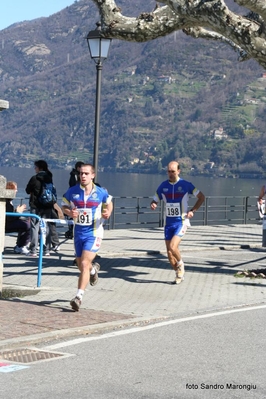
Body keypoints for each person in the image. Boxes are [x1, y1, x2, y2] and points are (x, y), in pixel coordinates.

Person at [62, 163, 113, 311]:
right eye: (81, 173)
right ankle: (93, 271)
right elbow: (64, 206)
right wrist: (69, 213)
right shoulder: (72, 192)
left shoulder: (100, 192)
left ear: (92, 175)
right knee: (80, 265)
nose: (83, 176)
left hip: (94, 232)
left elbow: (109, 203)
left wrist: (107, 212)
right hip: (78, 233)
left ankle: (78, 297)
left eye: (86, 173)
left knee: (84, 263)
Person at [150, 161, 205, 284]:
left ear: (179, 171)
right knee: (170, 254)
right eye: (168, 171)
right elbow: (154, 200)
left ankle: (181, 264)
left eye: (173, 171)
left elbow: (202, 197)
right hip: (168, 224)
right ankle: (179, 273)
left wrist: (193, 210)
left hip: (181, 222)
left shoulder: (186, 185)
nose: (170, 174)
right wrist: (153, 204)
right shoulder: (163, 186)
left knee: (173, 247)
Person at [25, 160, 59, 257]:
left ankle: (33, 251)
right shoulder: (49, 178)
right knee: (46, 227)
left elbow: (27, 190)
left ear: (39, 168)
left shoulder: (34, 178)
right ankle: (46, 250)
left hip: (35, 206)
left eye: (35, 167)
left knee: (34, 227)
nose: (34, 168)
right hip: (47, 205)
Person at [5, 181, 31, 255]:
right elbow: (9, 219)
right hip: (5, 225)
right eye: (15, 189)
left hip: (7, 223)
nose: (17, 191)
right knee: (27, 225)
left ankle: (20, 244)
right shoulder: (7, 201)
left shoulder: (9, 200)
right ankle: (21, 246)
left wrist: (17, 212)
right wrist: (18, 212)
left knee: (26, 221)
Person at [65, 161, 85, 239]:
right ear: (78, 167)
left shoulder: (78, 175)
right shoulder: (74, 175)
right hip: (75, 197)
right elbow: (72, 185)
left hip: (79, 196)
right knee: (73, 214)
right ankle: (71, 230)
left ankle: (74, 230)